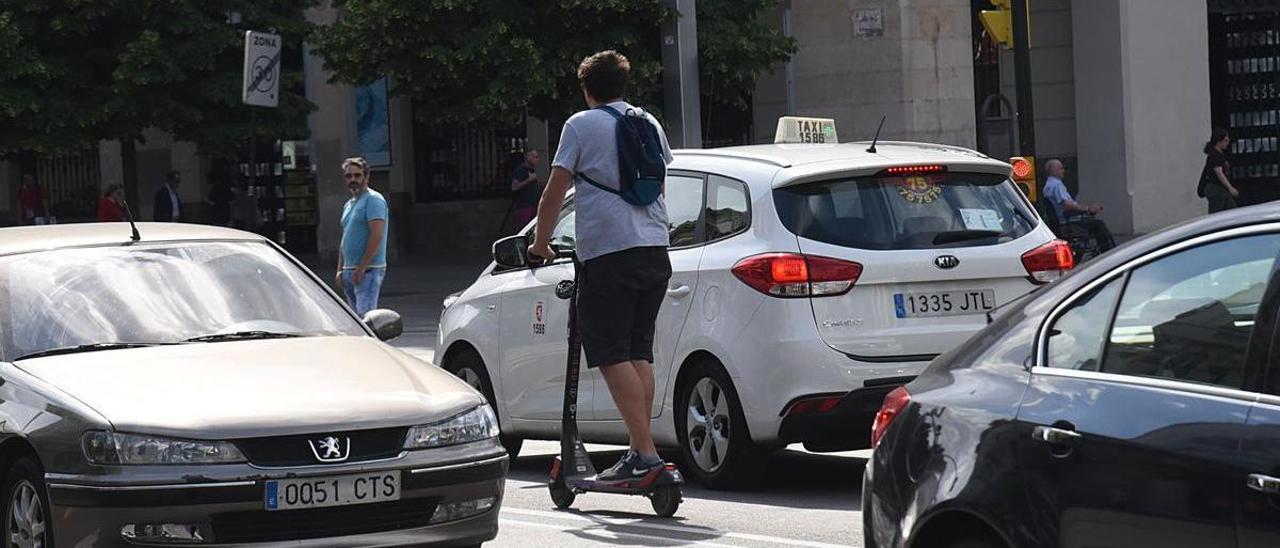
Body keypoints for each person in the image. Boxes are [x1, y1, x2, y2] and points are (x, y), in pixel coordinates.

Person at [528, 50, 675, 482]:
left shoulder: (581, 125)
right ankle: (639, 449)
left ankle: (645, 453)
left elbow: (554, 193)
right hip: (654, 248)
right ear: (623, 85)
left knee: (610, 353)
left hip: (610, 253)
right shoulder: (648, 122)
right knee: (637, 350)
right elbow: (658, 186)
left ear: (587, 90)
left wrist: (540, 243)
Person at [336, 157, 389, 317]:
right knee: (354, 320)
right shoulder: (349, 204)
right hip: (349, 270)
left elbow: (377, 234)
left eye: (357, 175)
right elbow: (345, 238)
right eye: (349, 176)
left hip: (368, 271)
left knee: (366, 319)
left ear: (366, 177)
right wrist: (340, 269)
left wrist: (362, 267)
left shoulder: (373, 200)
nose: (353, 179)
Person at [1042, 158, 1116, 251]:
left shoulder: (1048, 186)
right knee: (1098, 224)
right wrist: (1087, 209)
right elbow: (1067, 205)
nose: (1063, 171)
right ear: (1054, 170)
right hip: (1068, 223)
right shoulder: (1056, 185)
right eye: (1061, 168)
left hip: (1061, 222)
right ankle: (1108, 251)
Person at [1199, 127, 1239, 213]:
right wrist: (1230, 188)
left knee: (1231, 210)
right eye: (1225, 140)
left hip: (1219, 189)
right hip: (1216, 189)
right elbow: (1219, 173)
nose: (1227, 143)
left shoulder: (1217, 154)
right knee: (1217, 213)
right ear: (1219, 141)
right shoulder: (1215, 155)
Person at [510, 150, 543, 228]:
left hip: (532, 205)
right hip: (524, 206)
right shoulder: (521, 170)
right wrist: (529, 180)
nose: (537, 160)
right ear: (528, 157)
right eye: (535, 157)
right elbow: (514, 187)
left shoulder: (531, 170)